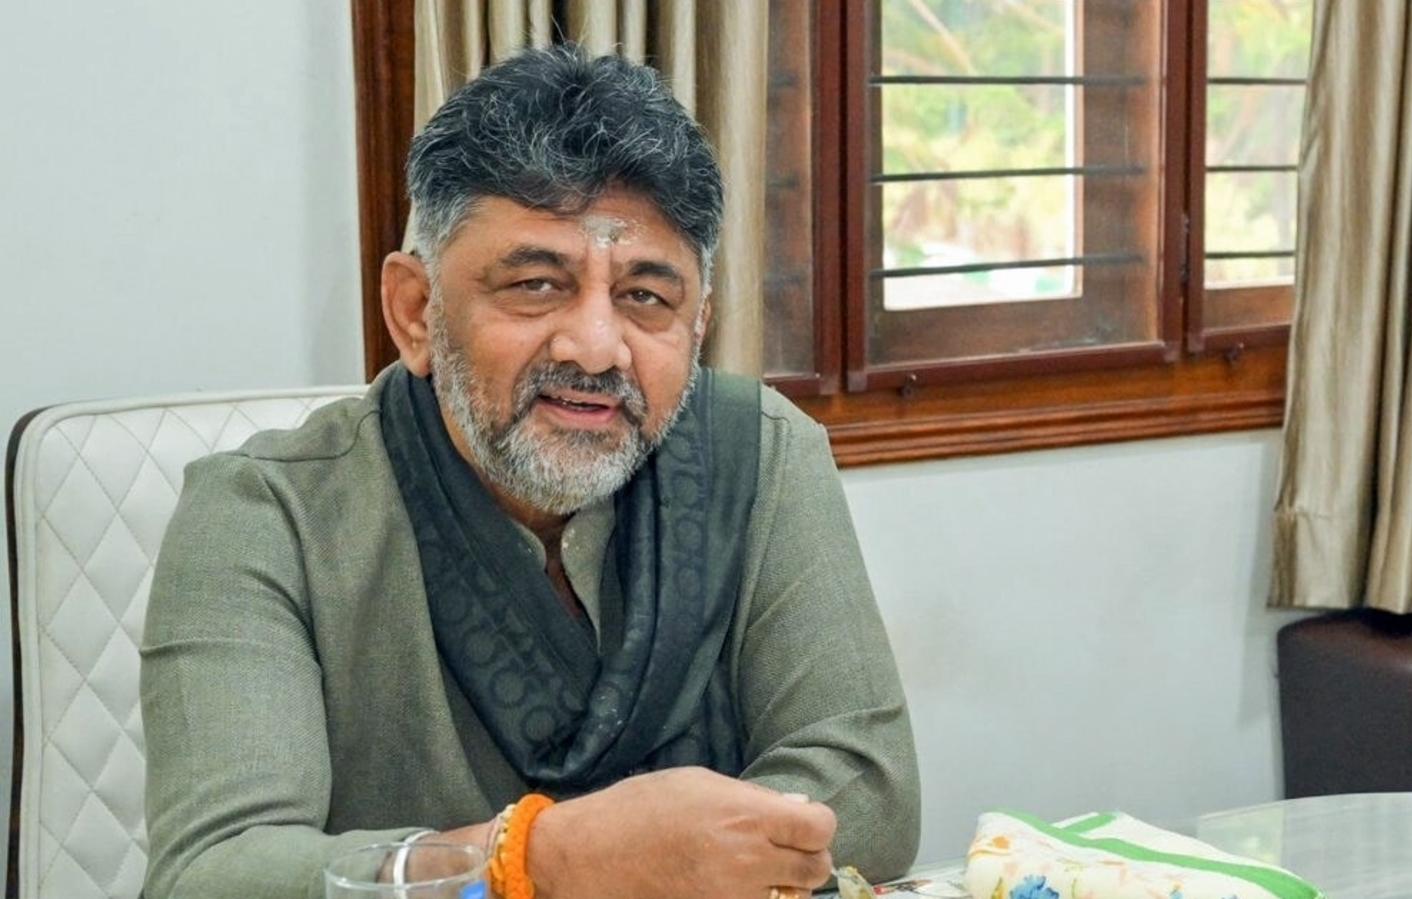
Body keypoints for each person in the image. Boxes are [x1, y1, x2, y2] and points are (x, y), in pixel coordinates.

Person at [139, 43, 920, 899]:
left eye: (646, 297)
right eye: (538, 284)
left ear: (698, 326)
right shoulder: (265, 514)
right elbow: (211, 875)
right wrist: (535, 858)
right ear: (416, 311)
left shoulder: (760, 455)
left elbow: (870, 790)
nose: (596, 347)